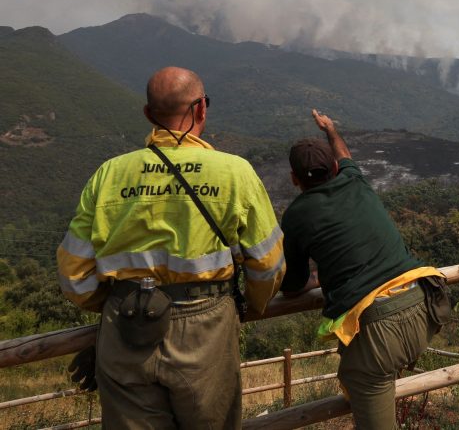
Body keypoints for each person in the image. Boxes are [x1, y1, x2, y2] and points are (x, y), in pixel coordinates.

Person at [56, 66, 286, 428]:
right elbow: (268, 263)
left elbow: (73, 275)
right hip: (205, 325)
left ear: (149, 115)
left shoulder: (109, 174)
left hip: (125, 325)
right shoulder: (234, 172)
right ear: (201, 109)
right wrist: (251, 305)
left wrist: (119, 305)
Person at [279, 109, 450, 430]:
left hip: (379, 333)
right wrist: (330, 129)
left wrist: (320, 277)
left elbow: (292, 285)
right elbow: (345, 153)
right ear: (335, 167)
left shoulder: (296, 215)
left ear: (294, 179)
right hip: (426, 305)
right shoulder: (354, 179)